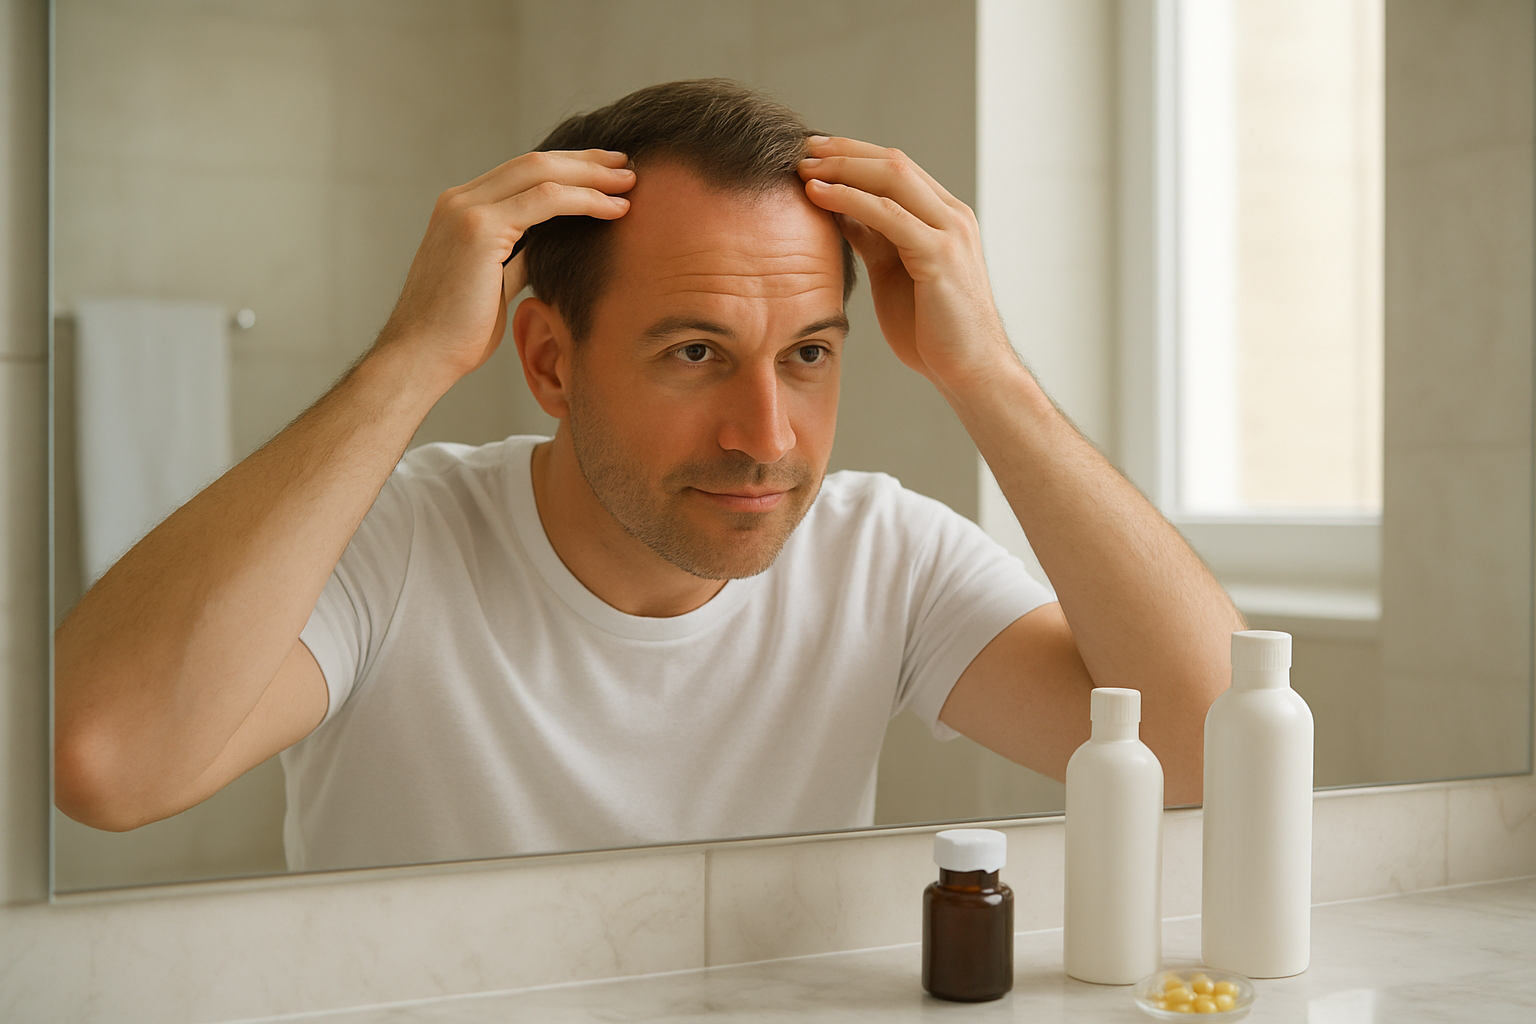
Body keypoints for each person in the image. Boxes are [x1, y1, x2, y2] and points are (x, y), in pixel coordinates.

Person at [54, 80, 1243, 871]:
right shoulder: (396, 539)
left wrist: (992, 378)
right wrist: (412, 357)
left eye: (810, 355)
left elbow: (1215, 750)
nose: (767, 434)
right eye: (696, 353)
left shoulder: (881, 555)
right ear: (550, 364)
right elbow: (104, 762)